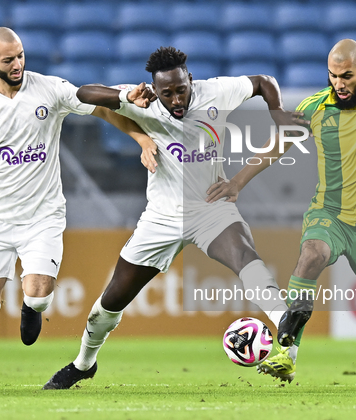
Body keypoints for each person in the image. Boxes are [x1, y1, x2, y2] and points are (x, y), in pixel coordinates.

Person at [42, 46, 307, 389]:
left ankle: (283, 319)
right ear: (155, 89)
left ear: (190, 80)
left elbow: (263, 81)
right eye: (167, 93)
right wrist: (125, 97)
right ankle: (83, 363)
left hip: (211, 208)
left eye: (181, 90)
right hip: (161, 217)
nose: (176, 99)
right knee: (109, 303)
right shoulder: (144, 100)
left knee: (244, 256)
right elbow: (85, 94)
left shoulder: (217, 92)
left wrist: (277, 113)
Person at [0, 27, 154, 391]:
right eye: (8, 60)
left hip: (43, 217)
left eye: (19, 56)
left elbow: (102, 107)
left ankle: (32, 309)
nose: (17, 64)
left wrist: (141, 137)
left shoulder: (49, 88)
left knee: (38, 294)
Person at [206, 39, 356, 390]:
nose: (339, 84)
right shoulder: (315, 106)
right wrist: (238, 181)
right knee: (313, 253)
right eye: (333, 76)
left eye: (347, 76)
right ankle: (287, 354)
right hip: (328, 213)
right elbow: (278, 144)